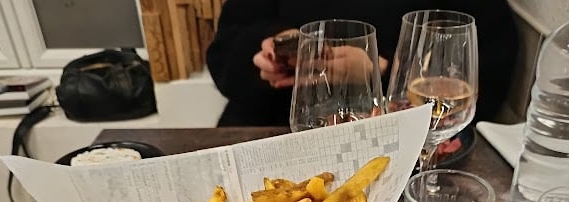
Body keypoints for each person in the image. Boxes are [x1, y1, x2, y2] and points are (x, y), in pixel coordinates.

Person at [207, 1, 518, 127]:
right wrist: (269, 53)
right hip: (269, 130)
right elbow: (222, 60)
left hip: (399, 149)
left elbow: (485, 81)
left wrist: (379, 74)